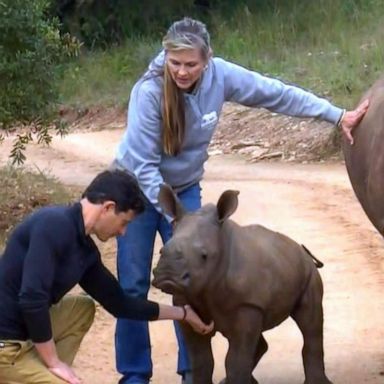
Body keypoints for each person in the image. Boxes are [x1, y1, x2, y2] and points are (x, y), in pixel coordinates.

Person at [113, 17, 369, 384]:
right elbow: (143, 165)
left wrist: (335, 115)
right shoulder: (149, 93)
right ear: (166, 58)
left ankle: (192, 372)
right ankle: (135, 375)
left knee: (196, 281)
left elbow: (276, 94)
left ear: (207, 60)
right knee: (134, 285)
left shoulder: (221, 76)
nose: (182, 72)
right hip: (135, 190)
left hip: (183, 189)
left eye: (191, 64)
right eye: (175, 64)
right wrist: (178, 220)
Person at [0, 169, 213, 384]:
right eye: (124, 222)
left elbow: (119, 303)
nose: (123, 232)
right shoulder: (53, 224)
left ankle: (44, 373)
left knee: (81, 308)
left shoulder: (84, 248)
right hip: (5, 345)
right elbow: (32, 298)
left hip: (24, 333)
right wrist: (53, 361)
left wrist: (183, 313)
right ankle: (48, 372)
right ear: (108, 208)